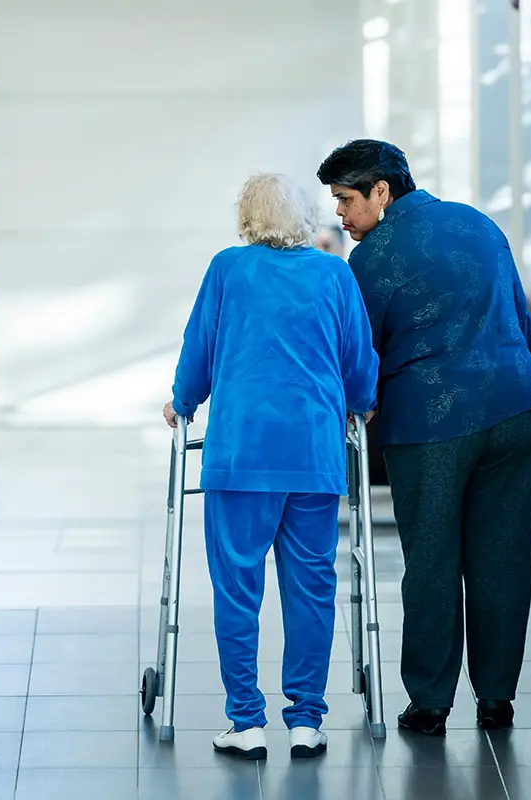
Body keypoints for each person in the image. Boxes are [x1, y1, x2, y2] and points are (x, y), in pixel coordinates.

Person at [317, 139, 531, 736]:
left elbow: (358, 358)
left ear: (381, 192)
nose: (340, 215)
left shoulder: (371, 259)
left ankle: (430, 703)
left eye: (346, 200)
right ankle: (497, 699)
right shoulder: (478, 223)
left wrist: (354, 407)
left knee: (432, 561)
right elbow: (523, 326)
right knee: (503, 556)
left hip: (432, 422)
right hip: (517, 405)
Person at [162, 173, 378, 760]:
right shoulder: (334, 273)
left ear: (247, 217)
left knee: (237, 589)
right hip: (312, 453)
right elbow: (358, 361)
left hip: (241, 455)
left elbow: (198, 349)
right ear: (306, 217)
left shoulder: (228, 269)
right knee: (312, 588)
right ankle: (306, 720)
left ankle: (247, 722)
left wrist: (181, 403)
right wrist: (359, 401)